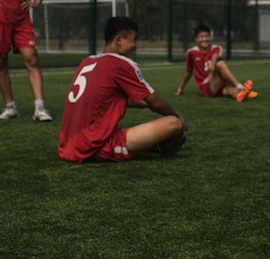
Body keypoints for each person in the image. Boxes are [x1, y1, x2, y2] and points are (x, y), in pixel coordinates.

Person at [58, 16, 187, 163]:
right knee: (174, 124)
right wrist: (177, 115)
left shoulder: (87, 61)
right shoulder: (120, 63)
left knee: (115, 124)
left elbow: (103, 98)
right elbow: (155, 102)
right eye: (133, 39)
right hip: (92, 147)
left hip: (68, 144)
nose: (135, 45)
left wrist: (143, 104)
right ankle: (154, 146)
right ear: (119, 40)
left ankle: (147, 143)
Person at [175, 23, 257, 101]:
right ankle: (241, 87)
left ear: (210, 37)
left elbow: (216, 56)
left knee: (231, 91)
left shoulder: (217, 48)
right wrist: (180, 88)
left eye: (207, 36)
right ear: (196, 39)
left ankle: (239, 95)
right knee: (220, 64)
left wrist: (212, 63)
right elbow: (188, 72)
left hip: (218, 83)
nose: (204, 39)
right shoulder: (191, 52)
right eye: (201, 37)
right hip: (206, 85)